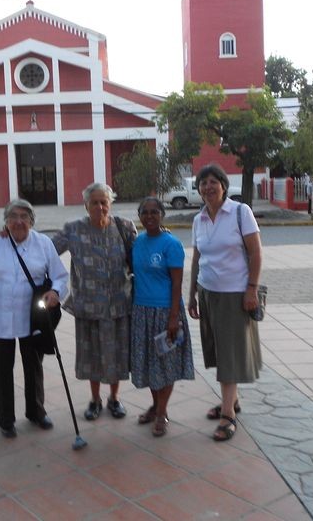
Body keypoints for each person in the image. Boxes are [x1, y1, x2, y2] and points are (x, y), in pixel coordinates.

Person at [0, 199, 69, 438]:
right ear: (5, 221)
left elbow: (60, 276)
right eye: (13, 216)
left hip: (33, 318)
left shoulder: (44, 243)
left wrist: (55, 292)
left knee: (33, 367)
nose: (19, 221)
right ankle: (5, 419)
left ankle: (36, 411)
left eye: (24, 216)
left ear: (32, 221)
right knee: (0, 370)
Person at [187, 164, 263, 442]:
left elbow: (255, 253)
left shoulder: (240, 213)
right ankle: (233, 400)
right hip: (208, 292)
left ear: (223, 185)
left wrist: (251, 289)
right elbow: (197, 258)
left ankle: (228, 414)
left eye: (213, 182)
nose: (208, 187)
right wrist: (192, 292)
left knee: (229, 354)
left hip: (234, 294)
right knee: (219, 351)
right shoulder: (200, 219)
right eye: (203, 183)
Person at [52, 182, 136, 421]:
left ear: (110, 204)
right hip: (88, 306)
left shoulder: (124, 227)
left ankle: (114, 398)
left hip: (119, 304)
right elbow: (46, 250)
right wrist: (14, 234)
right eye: (95, 202)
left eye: (104, 202)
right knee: (92, 355)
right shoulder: (74, 229)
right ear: (86, 205)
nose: (100, 207)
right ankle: (95, 400)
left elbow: (139, 255)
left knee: (117, 353)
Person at [130, 197, 194, 437]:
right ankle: (155, 405)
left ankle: (162, 413)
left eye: (154, 212)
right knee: (148, 364)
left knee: (166, 365)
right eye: (144, 212)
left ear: (162, 214)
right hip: (141, 312)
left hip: (166, 312)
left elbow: (177, 282)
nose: (149, 216)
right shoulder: (137, 242)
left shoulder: (171, 244)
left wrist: (174, 317)